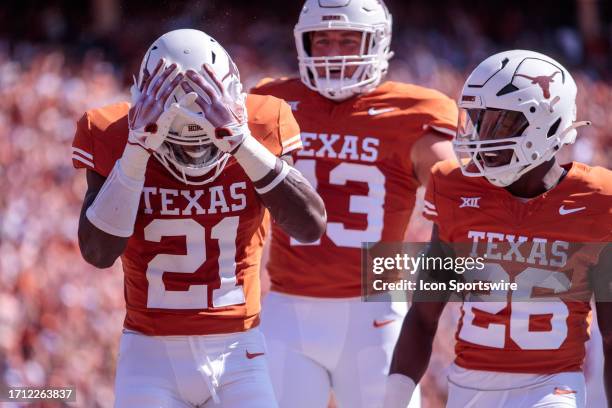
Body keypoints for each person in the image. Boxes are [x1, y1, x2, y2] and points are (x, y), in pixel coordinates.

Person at [72, 28, 326, 408]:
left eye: (206, 140)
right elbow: (97, 253)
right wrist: (137, 151)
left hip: (239, 352)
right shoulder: (113, 133)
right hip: (149, 355)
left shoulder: (261, 123)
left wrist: (242, 143)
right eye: (180, 143)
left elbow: (310, 226)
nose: (195, 157)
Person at [250, 0, 458, 406]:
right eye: (322, 40)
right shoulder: (270, 104)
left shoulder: (413, 113)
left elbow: (462, 204)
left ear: (377, 42)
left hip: (374, 312)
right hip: (287, 307)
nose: (333, 53)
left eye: (348, 39)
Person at [384, 50, 612, 408]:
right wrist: (391, 400)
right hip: (468, 387)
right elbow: (424, 315)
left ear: (547, 124)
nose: (482, 138)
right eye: (477, 120)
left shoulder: (598, 199)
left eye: (500, 124)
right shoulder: (453, 187)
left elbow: (611, 336)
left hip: (552, 388)